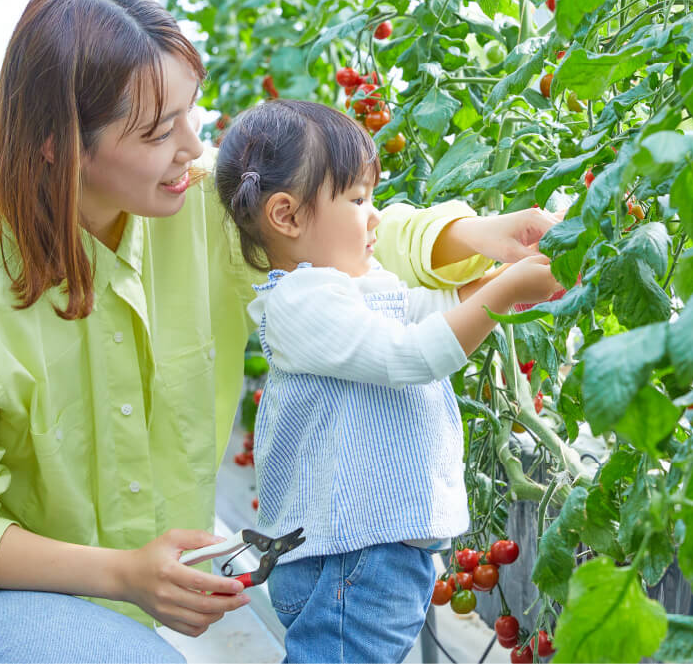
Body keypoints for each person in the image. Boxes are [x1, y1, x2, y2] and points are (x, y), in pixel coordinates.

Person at [0, 0, 560, 663]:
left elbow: (330, 239)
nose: (193, 148)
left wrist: (479, 238)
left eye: (191, 112)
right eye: (161, 130)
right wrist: (124, 574)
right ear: (60, 143)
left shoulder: (187, 202)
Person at [214, 99, 560, 663]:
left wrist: (511, 277)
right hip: (353, 562)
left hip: (369, 558)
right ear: (288, 216)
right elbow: (413, 356)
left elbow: (429, 308)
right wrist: (504, 291)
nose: (376, 216)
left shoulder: (353, 285)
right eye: (356, 200)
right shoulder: (301, 301)